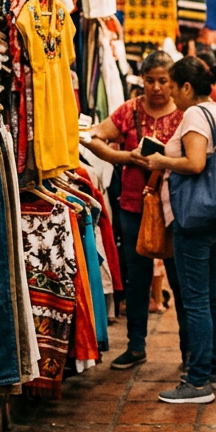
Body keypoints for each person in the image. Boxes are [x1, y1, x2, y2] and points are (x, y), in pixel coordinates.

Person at [82, 51, 185, 370]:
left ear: (173, 82)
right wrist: (125, 158)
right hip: (133, 206)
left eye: (163, 81)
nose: (156, 88)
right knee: (137, 278)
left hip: (173, 209)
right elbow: (92, 137)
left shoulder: (184, 114)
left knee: (179, 281)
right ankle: (136, 345)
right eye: (150, 80)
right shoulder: (129, 111)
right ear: (142, 80)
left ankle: (190, 350)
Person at [148, 57, 216, 404]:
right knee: (212, 293)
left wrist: (161, 161)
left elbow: (196, 163)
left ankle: (198, 380)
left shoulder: (194, 115)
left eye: (171, 85)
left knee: (196, 298)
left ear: (186, 87)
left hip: (195, 217)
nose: (167, 91)